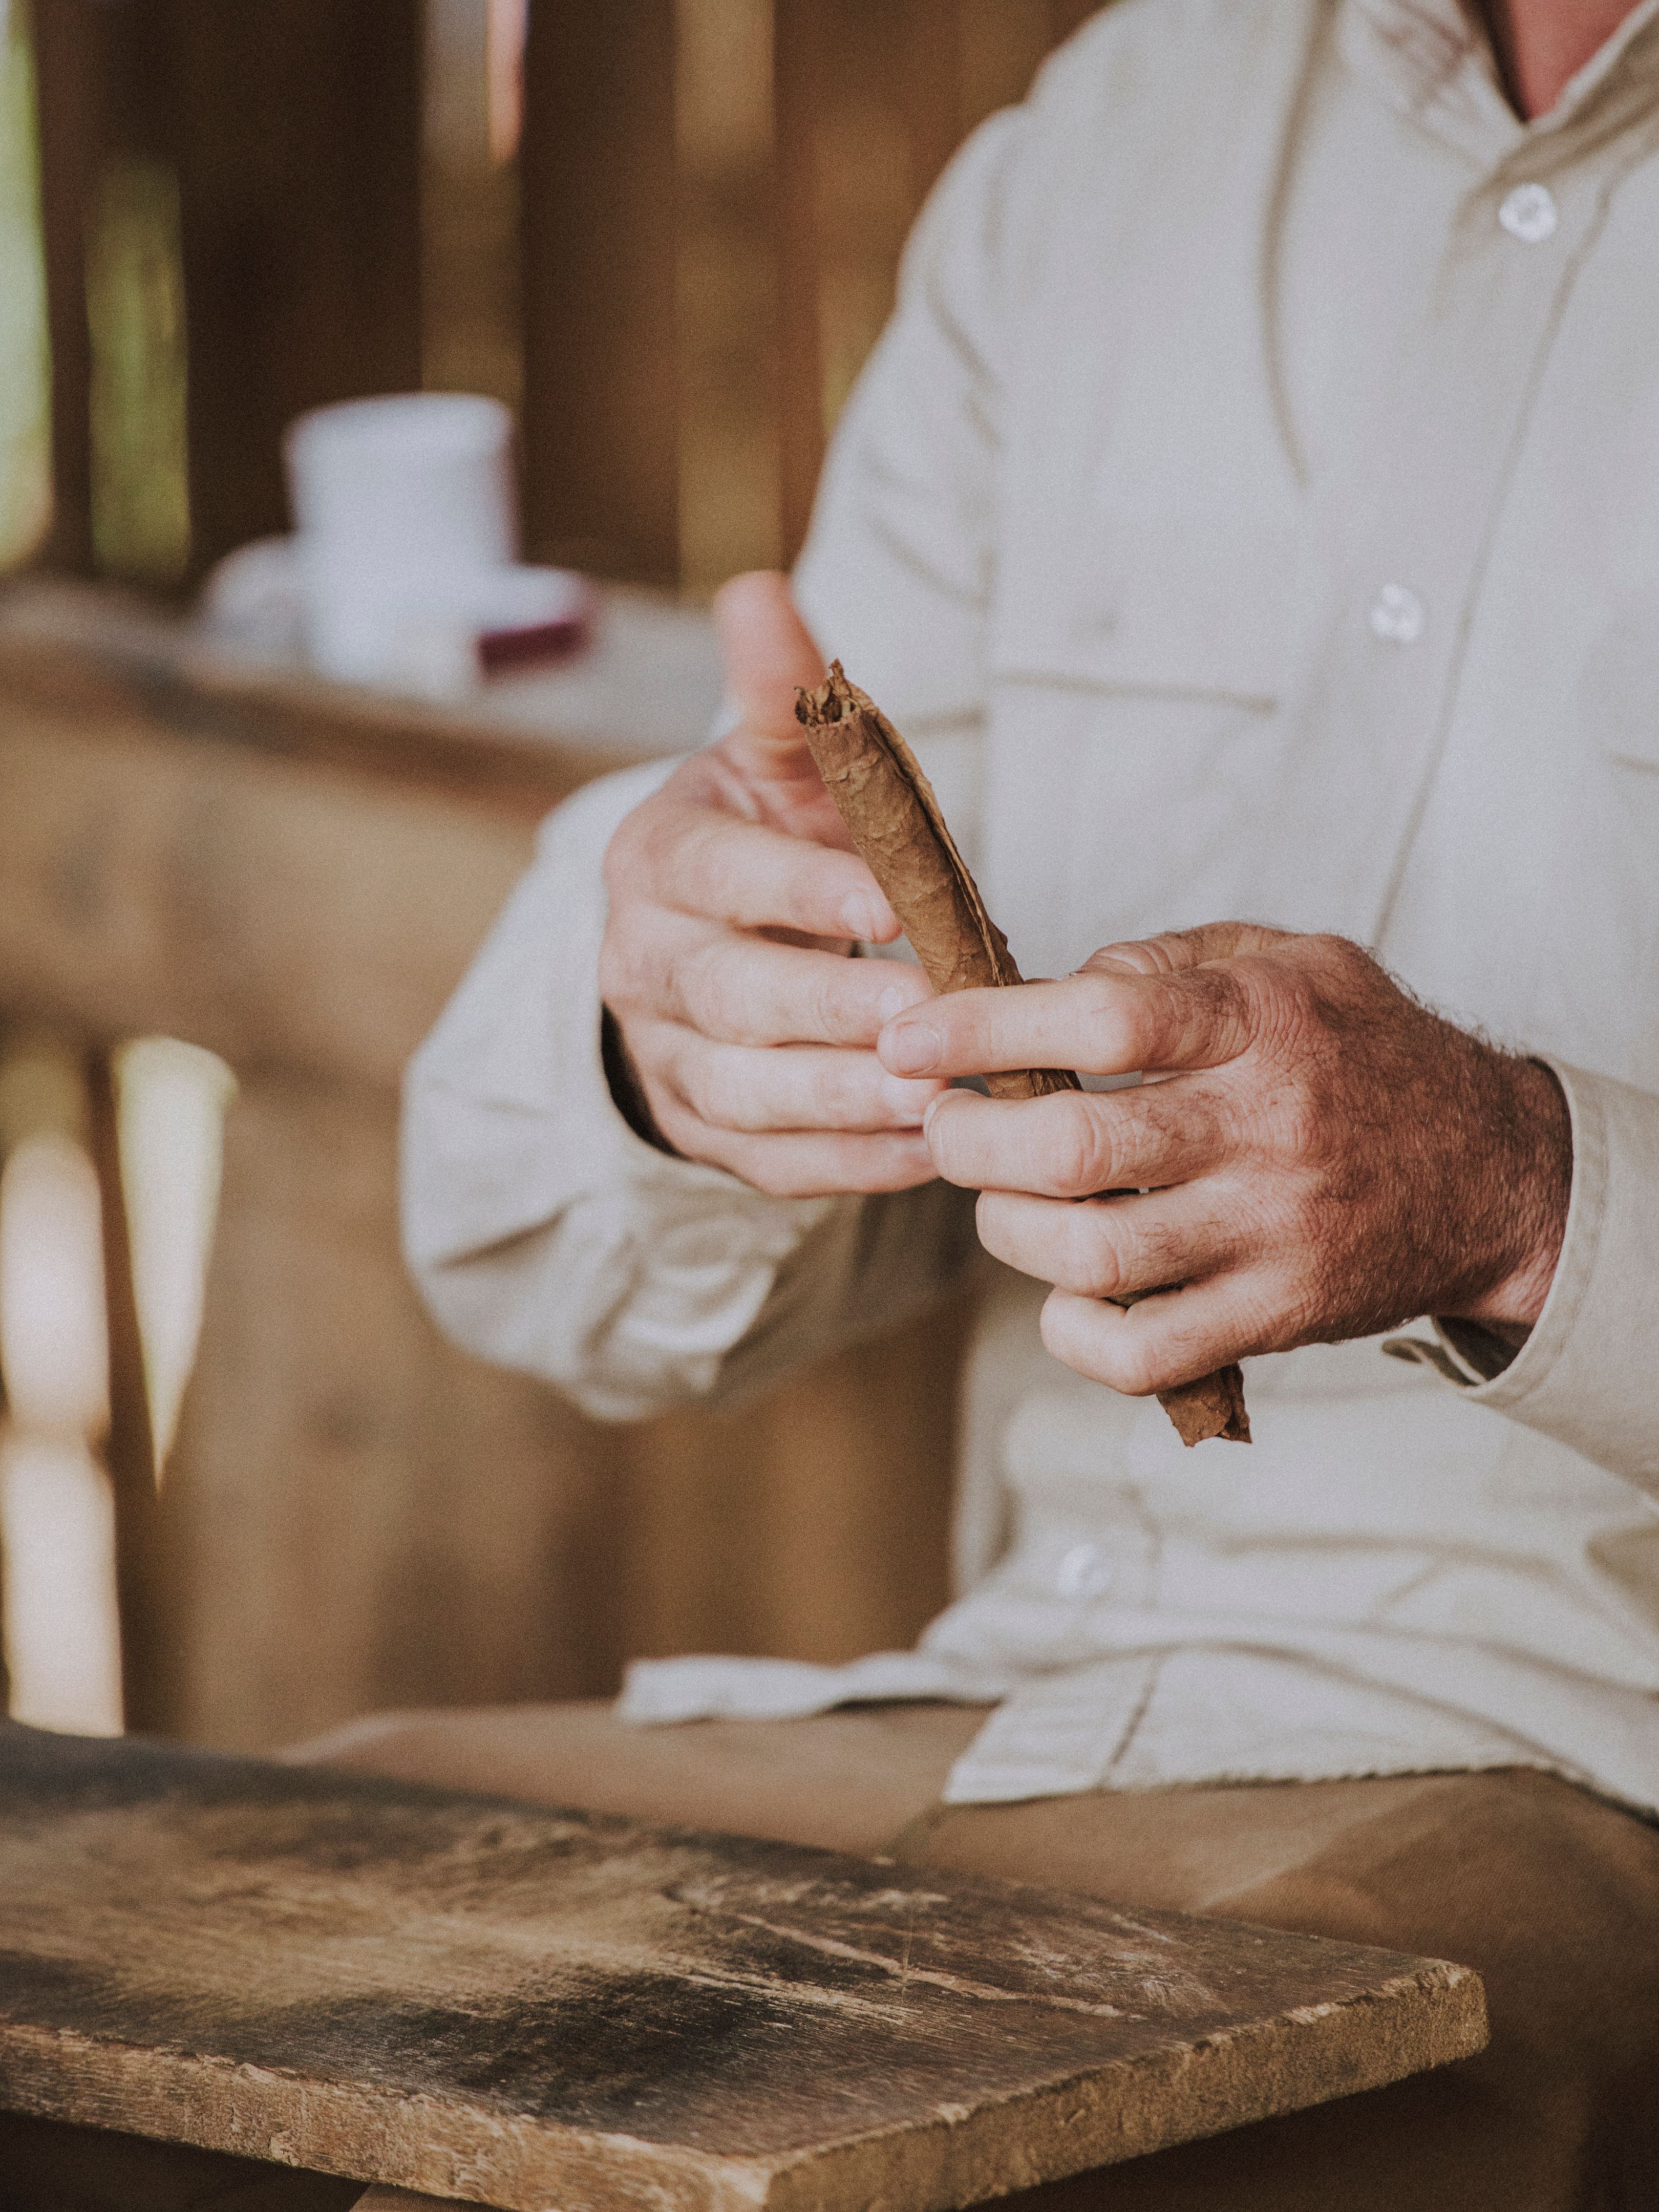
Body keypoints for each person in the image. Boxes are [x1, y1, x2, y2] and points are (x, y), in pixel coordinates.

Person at [311, 1, 1659, 2206]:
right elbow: (512, 1233)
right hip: (993, 1715)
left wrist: (1522, 1193)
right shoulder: (1132, 129)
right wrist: (681, 1045)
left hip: (1583, 1791)